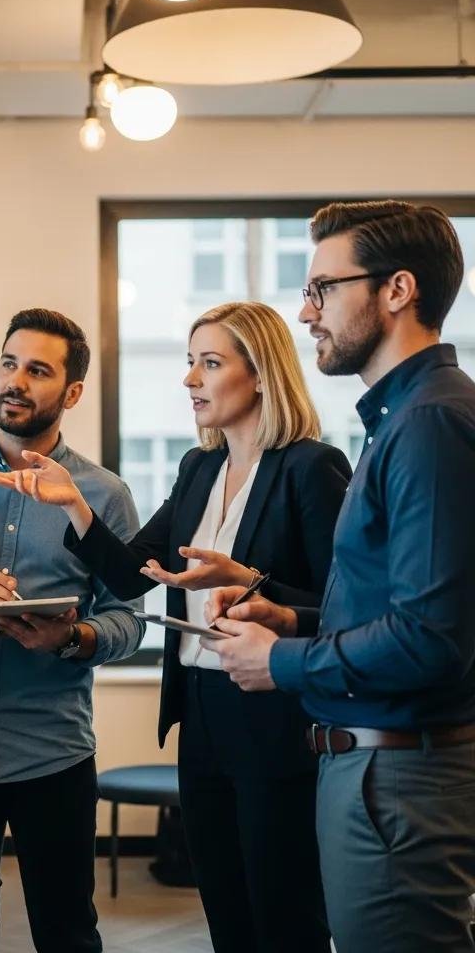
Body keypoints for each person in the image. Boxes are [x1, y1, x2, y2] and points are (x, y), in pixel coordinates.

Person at [0, 301, 351, 953]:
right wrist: (74, 503)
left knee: (285, 915)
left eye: (209, 363)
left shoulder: (310, 466)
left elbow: (344, 604)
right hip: (202, 713)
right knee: (226, 913)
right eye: (190, 362)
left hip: (274, 714)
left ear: (260, 375)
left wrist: (250, 580)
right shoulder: (198, 468)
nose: (189, 379)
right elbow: (131, 576)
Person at [202, 201, 475, 953]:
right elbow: (401, 608)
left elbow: (432, 640)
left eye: (324, 288)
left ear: (397, 290)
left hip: (397, 776)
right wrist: (292, 620)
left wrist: (281, 661)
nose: (306, 312)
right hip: (376, 766)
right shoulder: (403, 420)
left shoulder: (429, 424)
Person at [0, 308, 144, 953]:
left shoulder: (103, 496)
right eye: (9, 363)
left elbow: (130, 619)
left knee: (68, 934)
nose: (15, 380)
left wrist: (72, 638)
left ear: (72, 392)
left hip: (53, 754)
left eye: (38, 370)